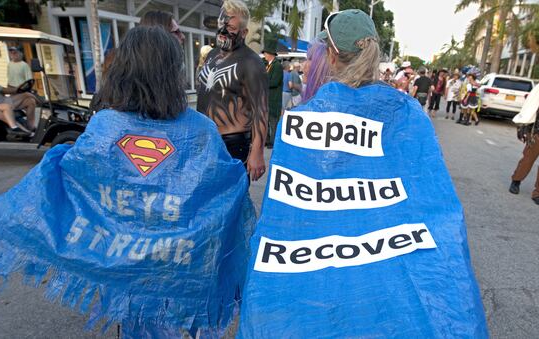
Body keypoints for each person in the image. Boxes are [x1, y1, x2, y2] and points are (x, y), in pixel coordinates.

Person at [0, 26, 254, 338]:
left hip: (120, 263)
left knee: (133, 321)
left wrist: (58, 160)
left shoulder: (106, 125)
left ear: (124, 69)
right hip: (178, 265)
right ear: (174, 72)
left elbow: (77, 173)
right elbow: (226, 188)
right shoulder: (199, 129)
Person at [239, 9, 488, 338]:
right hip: (389, 272)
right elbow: (429, 193)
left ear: (331, 55)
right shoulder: (408, 112)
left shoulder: (297, 121)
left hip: (314, 275)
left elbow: (285, 217)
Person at [196, 0, 267, 181]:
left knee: (231, 202)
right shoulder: (212, 55)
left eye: (231, 28)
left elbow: (261, 109)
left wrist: (257, 152)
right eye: (221, 24)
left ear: (244, 32)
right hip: (205, 139)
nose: (223, 31)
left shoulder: (251, 62)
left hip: (232, 145)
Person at [509, 84, 539, 205]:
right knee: (528, 159)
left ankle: (537, 193)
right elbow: (529, 108)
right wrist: (524, 127)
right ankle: (516, 180)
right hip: (537, 131)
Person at [263, 43, 282, 148]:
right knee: (266, 121)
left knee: (273, 122)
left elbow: (274, 82)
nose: (264, 55)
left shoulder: (277, 66)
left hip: (274, 100)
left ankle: (273, 142)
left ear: (270, 54)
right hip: (267, 99)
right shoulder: (267, 65)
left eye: (265, 53)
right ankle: (267, 140)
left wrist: (262, 83)